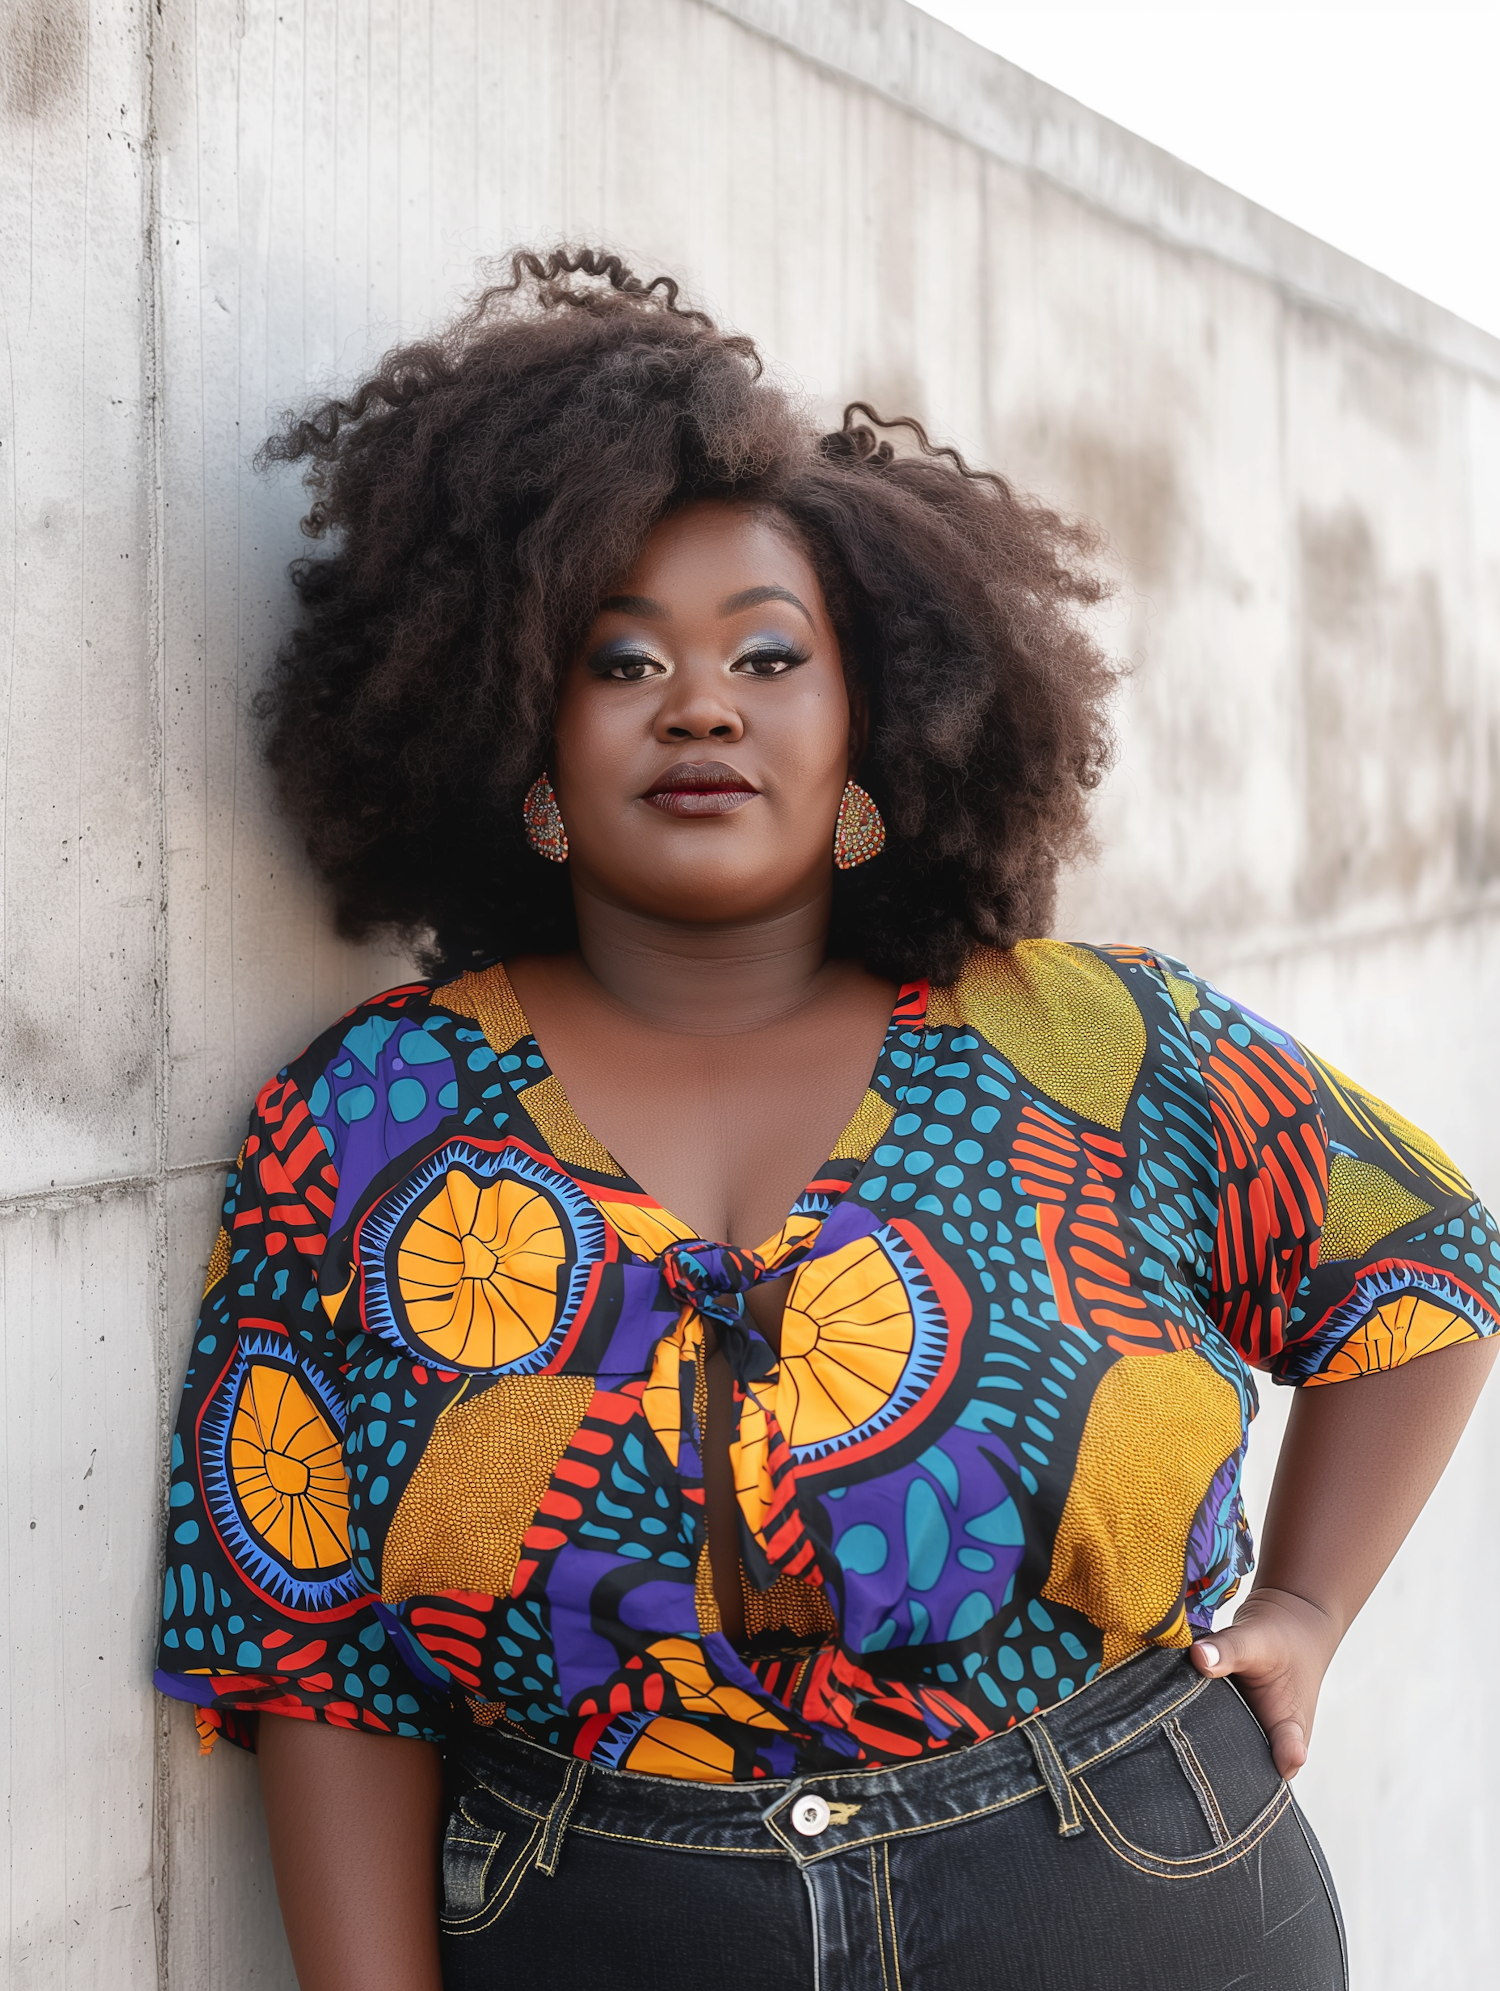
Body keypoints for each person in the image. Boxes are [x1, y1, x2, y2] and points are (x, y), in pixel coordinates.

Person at [155, 249, 1499, 1991]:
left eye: (767, 655)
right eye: (619, 662)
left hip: (1122, 1890)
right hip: (608, 1921)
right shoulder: (371, 1112)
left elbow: (1426, 1265)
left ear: (873, 724)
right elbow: (310, 1643)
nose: (699, 703)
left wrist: (1306, 1609)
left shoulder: (1097, 1038)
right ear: (527, 750)